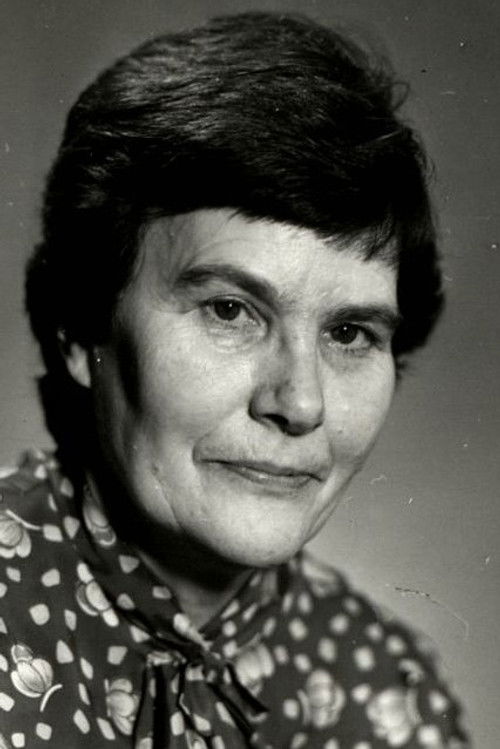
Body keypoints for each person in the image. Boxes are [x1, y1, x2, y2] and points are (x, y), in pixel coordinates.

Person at [0, 11, 469, 748]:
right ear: (80, 330)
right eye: (230, 311)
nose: (300, 402)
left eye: (350, 333)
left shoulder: (391, 692)